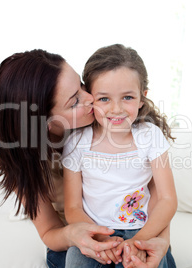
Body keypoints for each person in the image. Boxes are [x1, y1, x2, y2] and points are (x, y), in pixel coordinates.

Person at [0, 49, 176, 268]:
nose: (91, 99)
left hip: (139, 234)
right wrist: (90, 239)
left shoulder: (132, 131)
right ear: (46, 121)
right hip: (81, 237)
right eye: (74, 101)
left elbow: (156, 199)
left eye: (81, 85)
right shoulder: (59, 149)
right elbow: (51, 230)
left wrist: (155, 242)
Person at [62, 44, 178, 268]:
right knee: (75, 260)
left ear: (142, 98)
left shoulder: (150, 136)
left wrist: (138, 242)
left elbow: (167, 199)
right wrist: (103, 240)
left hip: (143, 230)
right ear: (90, 99)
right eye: (104, 99)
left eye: (127, 97)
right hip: (94, 230)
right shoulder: (76, 142)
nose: (116, 109)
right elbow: (73, 208)